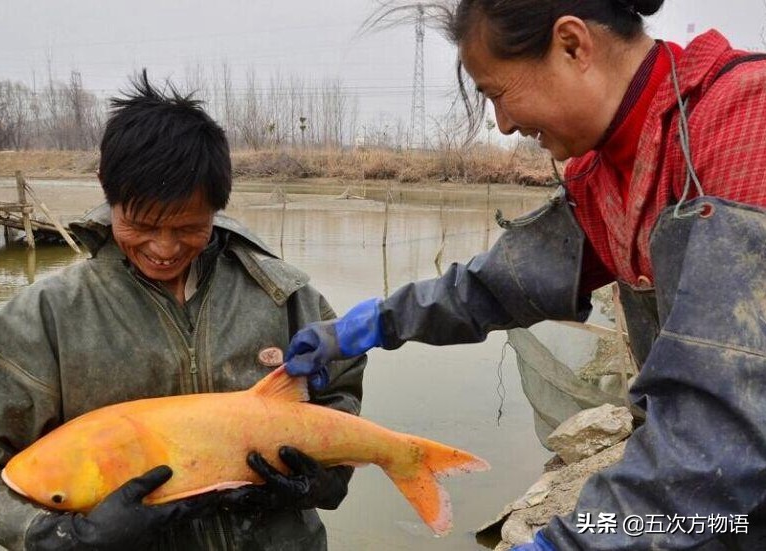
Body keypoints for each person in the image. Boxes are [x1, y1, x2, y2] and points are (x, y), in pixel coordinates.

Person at [284, 1, 766, 549]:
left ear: (572, 45)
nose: (505, 124)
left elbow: (720, 436)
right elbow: (498, 286)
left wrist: (567, 542)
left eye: (497, 93)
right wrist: (366, 327)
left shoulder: (745, 127)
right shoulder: (604, 173)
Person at [0, 71, 365, 551]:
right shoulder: (47, 315)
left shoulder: (284, 294)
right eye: (140, 225)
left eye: (188, 227)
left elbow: (340, 392)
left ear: (217, 207)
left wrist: (325, 479)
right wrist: (54, 537)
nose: (164, 248)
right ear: (108, 191)